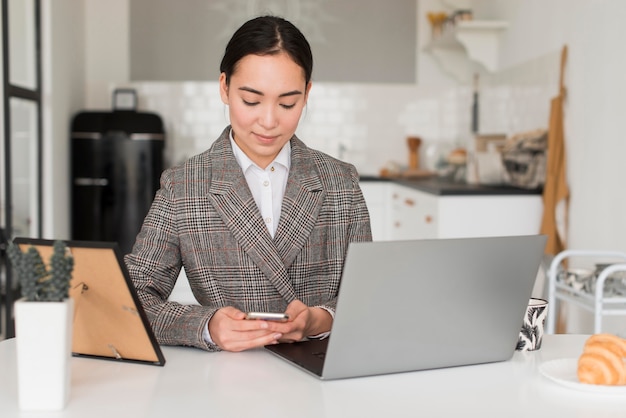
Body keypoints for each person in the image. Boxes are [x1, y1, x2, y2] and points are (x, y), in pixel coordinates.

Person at [125, 15, 372, 353]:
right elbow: (132, 296)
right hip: (227, 378)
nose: (269, 121)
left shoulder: (341, 182)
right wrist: (207, 325)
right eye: (251, 101)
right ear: (224, 87)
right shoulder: (183, 186)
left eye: (288, 103)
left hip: (324, 369)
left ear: (307, 93)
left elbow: (367, 297)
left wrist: (321, 318)